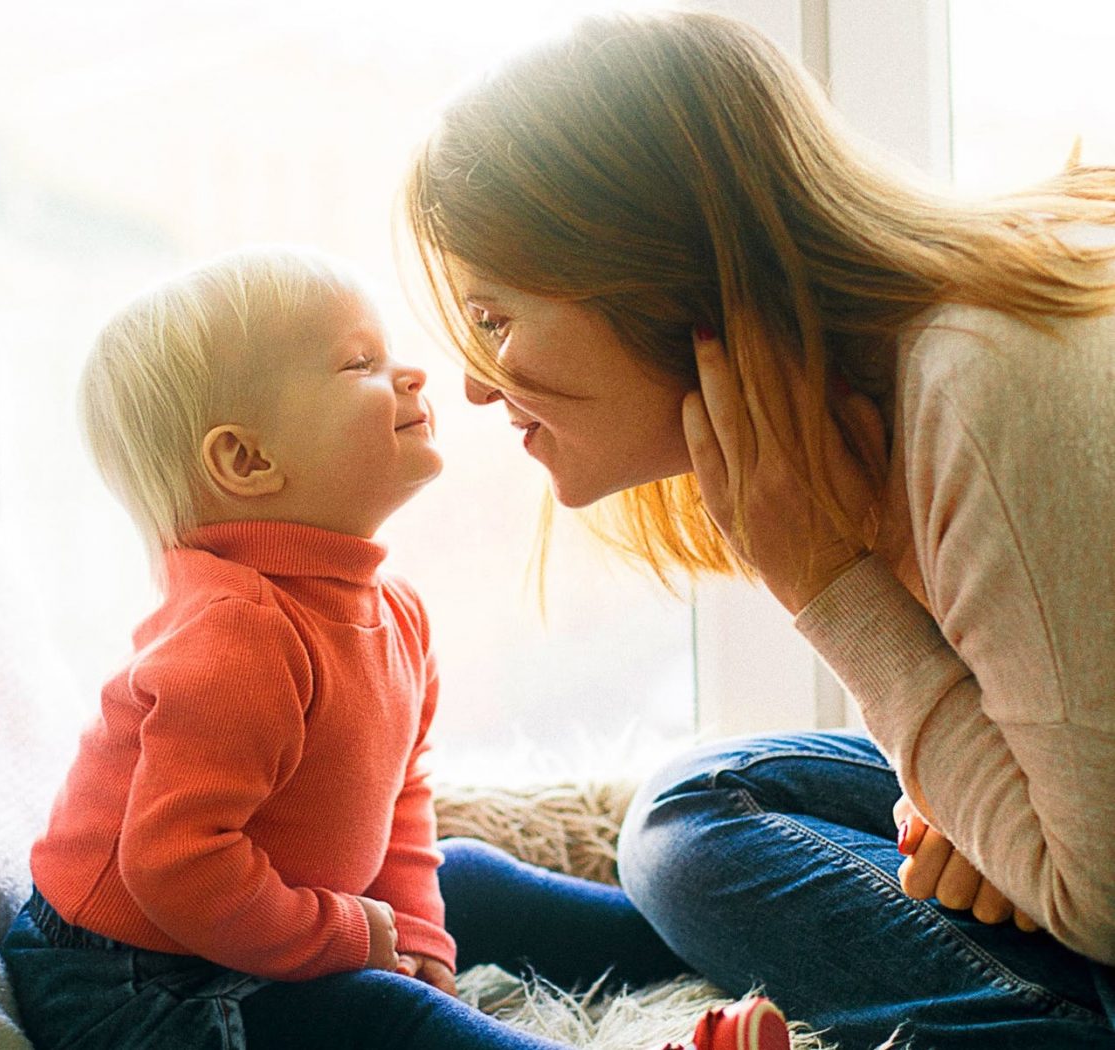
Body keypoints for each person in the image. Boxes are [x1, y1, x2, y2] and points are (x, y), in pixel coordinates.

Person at [401, 10, 1115, 1050]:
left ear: (649, 267)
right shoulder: (882, 404)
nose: (473, 381)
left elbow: (1092, 891)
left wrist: (830, 589)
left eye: (495, 317)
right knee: (693, 809)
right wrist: (965, 812)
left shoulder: (975, 383)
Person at [0, 245, 788, 1050]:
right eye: (359, 363)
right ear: (247, 460)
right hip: (130, 984)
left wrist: (417, 934)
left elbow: (399, 800)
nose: (410, 373)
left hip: (250, 920)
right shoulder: (235, 635)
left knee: (466, 876)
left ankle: (748, 954)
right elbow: (174, 866)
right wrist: (346, 936)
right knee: (385, 1014)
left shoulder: (394, 613)